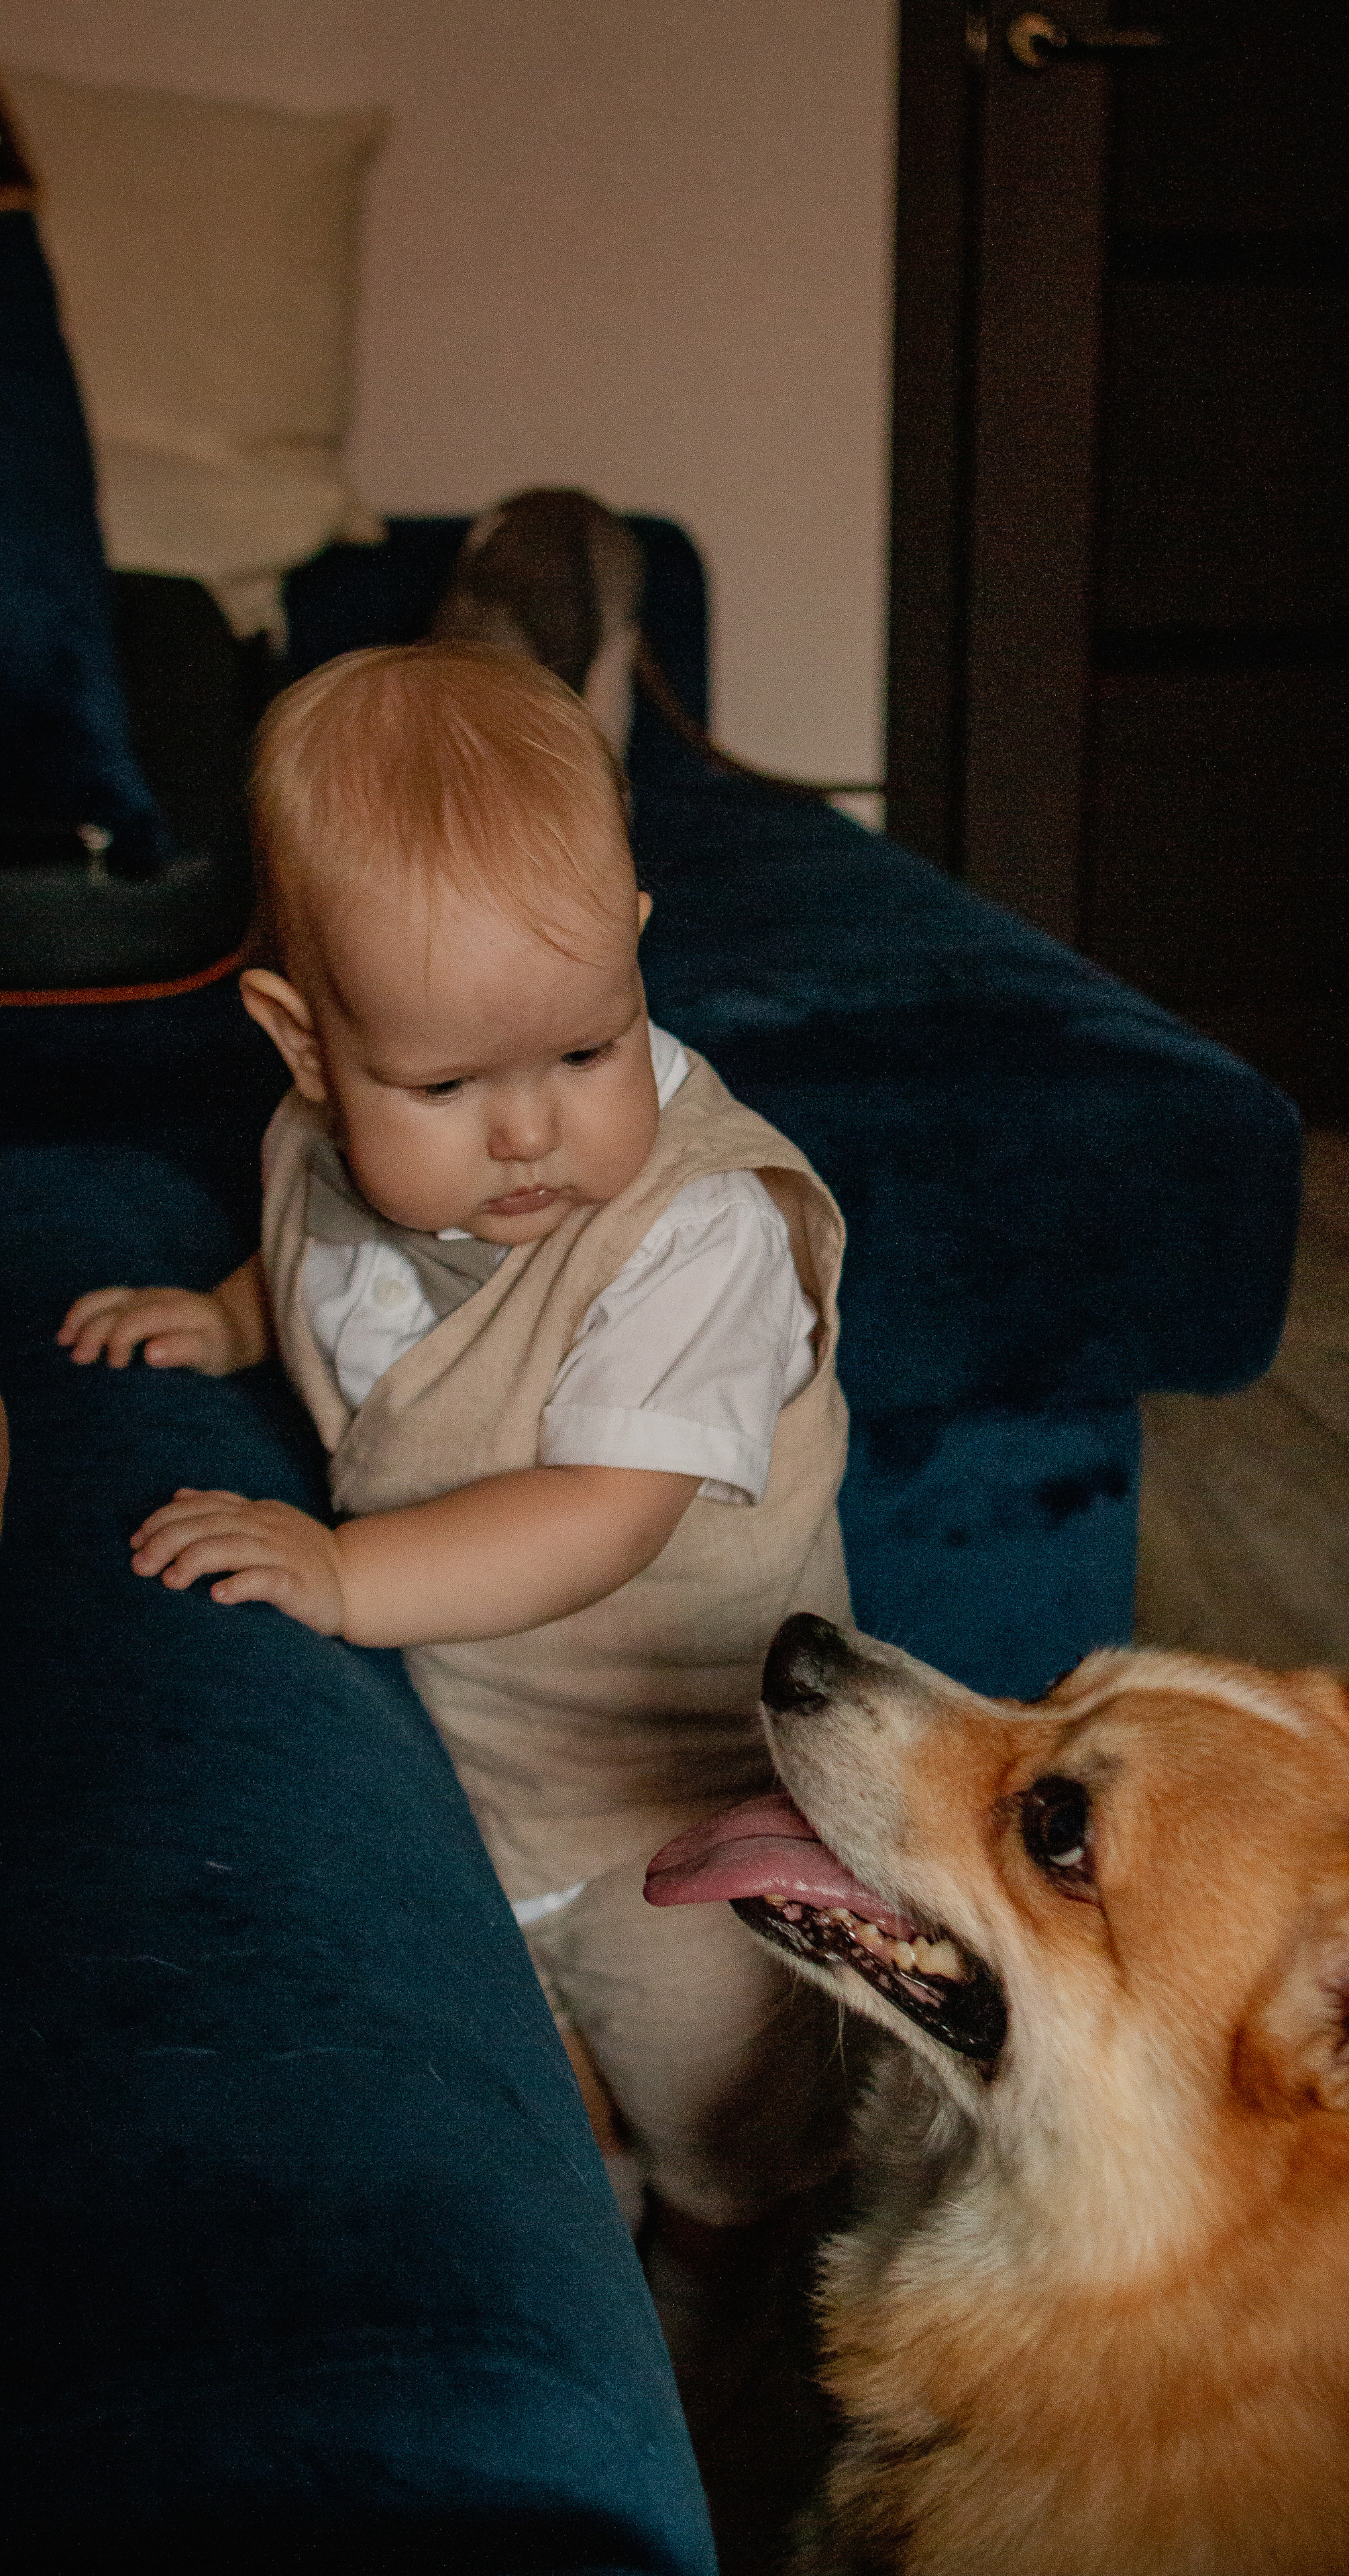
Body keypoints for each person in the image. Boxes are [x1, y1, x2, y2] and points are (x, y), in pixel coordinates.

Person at [57, 643, 857, 2410]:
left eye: (587, 1045)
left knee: (734, 2106)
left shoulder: (691, 1234)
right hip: (482, 1765)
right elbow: (342, 1273)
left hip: (675, 1794)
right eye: (442, 1088)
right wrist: (232, 1318)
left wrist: (340, 1575)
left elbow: (602, 1513)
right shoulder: (326, 1139)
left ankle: (738, 2296)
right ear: (303, 1040)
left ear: (636, 944)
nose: (528, 1134)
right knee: (543, 2083)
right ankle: (610, 2253)